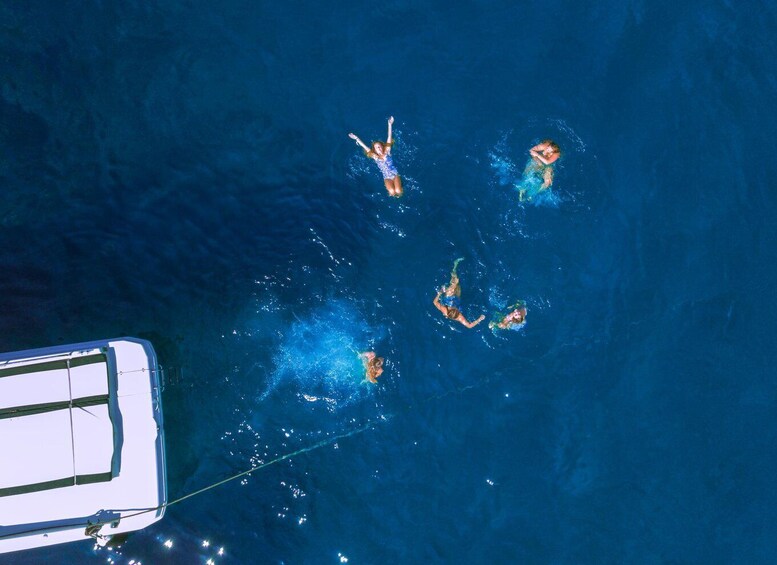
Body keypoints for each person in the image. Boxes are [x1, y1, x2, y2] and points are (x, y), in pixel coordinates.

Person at [348, 116, 403, 197]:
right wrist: (356, 138)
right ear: (375, 150)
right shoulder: (375, 157)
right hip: (387, 177)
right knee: (392, 192)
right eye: (377, 147)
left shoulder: (387, 151)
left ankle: (400, 191)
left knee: (398, 191)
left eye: (380, 146)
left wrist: (390, 124)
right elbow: (365, 147)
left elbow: (389, 137)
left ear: (383, 147)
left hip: (394, 174)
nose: (379, 148)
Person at [433, 258, 486, 328]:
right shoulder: (459, 317)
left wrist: (440, 293)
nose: (454, 308)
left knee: (454, 283)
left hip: (448, 299)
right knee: (457, 285)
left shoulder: (445, 310)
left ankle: (454, 267)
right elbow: (469, 326)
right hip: (457, 301)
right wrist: (480, 319)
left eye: (452, 308)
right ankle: (455, 282)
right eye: (456, 309)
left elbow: (434, 302)